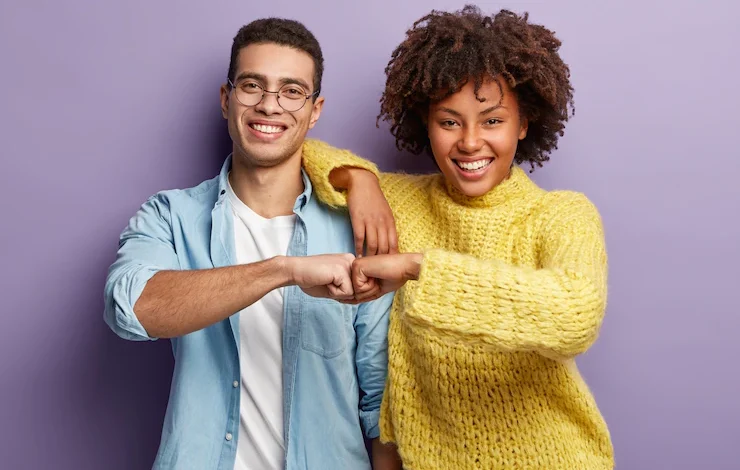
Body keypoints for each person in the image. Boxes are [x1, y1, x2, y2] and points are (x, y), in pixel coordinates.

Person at [301, 5, 615, 469]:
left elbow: (576, 315)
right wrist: (360, 179)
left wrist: (418, 268)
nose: (469, 142)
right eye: (450, 122)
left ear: (523, 124)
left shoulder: (561, 214)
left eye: (492, 121)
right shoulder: (404, 201)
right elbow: (299, 148)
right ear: (425, 126)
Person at [103, 18, 399, 470]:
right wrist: (283, 270)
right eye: (252, 86)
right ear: (227, 99)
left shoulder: (357, 231)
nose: (269, 106)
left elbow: (380, 402)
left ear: (314, 110)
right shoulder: (170, 216)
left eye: (291, 91)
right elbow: (130, 310)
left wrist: (360, 178)